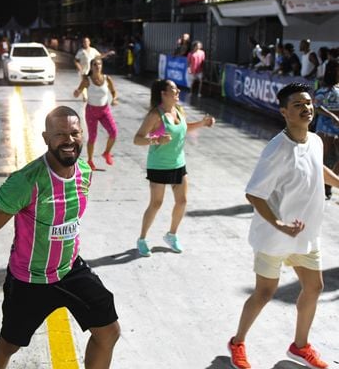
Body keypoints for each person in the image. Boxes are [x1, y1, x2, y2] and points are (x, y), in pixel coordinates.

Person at [0, 106, 121, 369]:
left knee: (108, 331)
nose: (69, 140)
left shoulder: (84, 172)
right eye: (60, 134)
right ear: (46, 137)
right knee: (8, 345)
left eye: (74, 132)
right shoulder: (25, 181)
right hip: (30, 279)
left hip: (70, 269)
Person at [227, 83, 339, 369]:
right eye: (298, 105)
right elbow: (253, 192)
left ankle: (299, 346)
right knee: (265, 292)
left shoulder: (314, 140)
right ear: (284, 112)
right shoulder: (276, 149)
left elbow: (317, 169)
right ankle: (237, 342)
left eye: (308, 103)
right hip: (275, 235)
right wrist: (279, 223)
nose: (306, 108)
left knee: (314, 287)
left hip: (306, 234)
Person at [132, 79, 215, 257]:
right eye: (173, 89)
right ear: (163, 93)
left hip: (178, 163)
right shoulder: (155, 115)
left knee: (182, 201)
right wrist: (156, 140)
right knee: (156, 203)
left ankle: (172, 235)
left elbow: (184, 129)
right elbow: (137, 138)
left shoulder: (179, 110)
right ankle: (142, 239)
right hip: (159, 165)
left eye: (177, 89)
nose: (178, 92)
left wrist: (203, 123)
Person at [73, 57, 118, 170]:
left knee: (113, 132)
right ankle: (90, 161)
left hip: (104, 111)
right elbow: (78, 92)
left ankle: (106, 153)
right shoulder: (87, 80)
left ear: (101, 66)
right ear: (91, 67)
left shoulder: (107, 79)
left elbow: (113, 91)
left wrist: (114, 99)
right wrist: (76, 93)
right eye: (95, 65)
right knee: (92, 137)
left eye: (99, 64)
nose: (97, 66)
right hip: (91, 111)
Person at [313, 59, 339, 200]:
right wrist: (332, 115)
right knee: (325, 159)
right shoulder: (324, 89)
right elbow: (316, 106)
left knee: (336, 159)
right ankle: (321, 185)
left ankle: (328, 183)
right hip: (326, 128)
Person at [74, 37, 114, 102]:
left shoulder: (93, 50)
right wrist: (79, 67)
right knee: (84, 82)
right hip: (84, 71)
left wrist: (107, 54)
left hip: (92, 70)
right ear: (83, 43)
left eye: (87, 42)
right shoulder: (81, 51)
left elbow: (100, 56)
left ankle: (91, 95)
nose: (85, 43)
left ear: (89, 42)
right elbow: (76, 60)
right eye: (84, 42)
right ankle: (85, 96)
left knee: (91, 83)